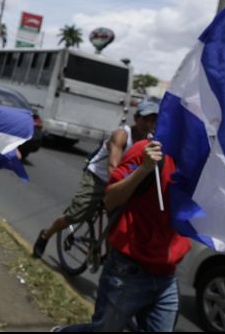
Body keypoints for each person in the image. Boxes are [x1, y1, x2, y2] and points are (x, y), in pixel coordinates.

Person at [57, 139, 191, 332]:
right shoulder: (145, 150)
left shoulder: (198, 162)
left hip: (166, 275)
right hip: (129, 270)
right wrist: (144, 168)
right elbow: (110, 199)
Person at [32, 100, 160, 258]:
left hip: (124, 184)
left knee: (122, 223)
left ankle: (107, 257)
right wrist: (117, 191)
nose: (149, 124)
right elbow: (112, 167)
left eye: (153, 120)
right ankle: (46, 235)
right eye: (145, 119)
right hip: (99, 178)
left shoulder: (151, 141)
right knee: (76, 215)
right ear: (136, 118)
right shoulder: (121, 135)